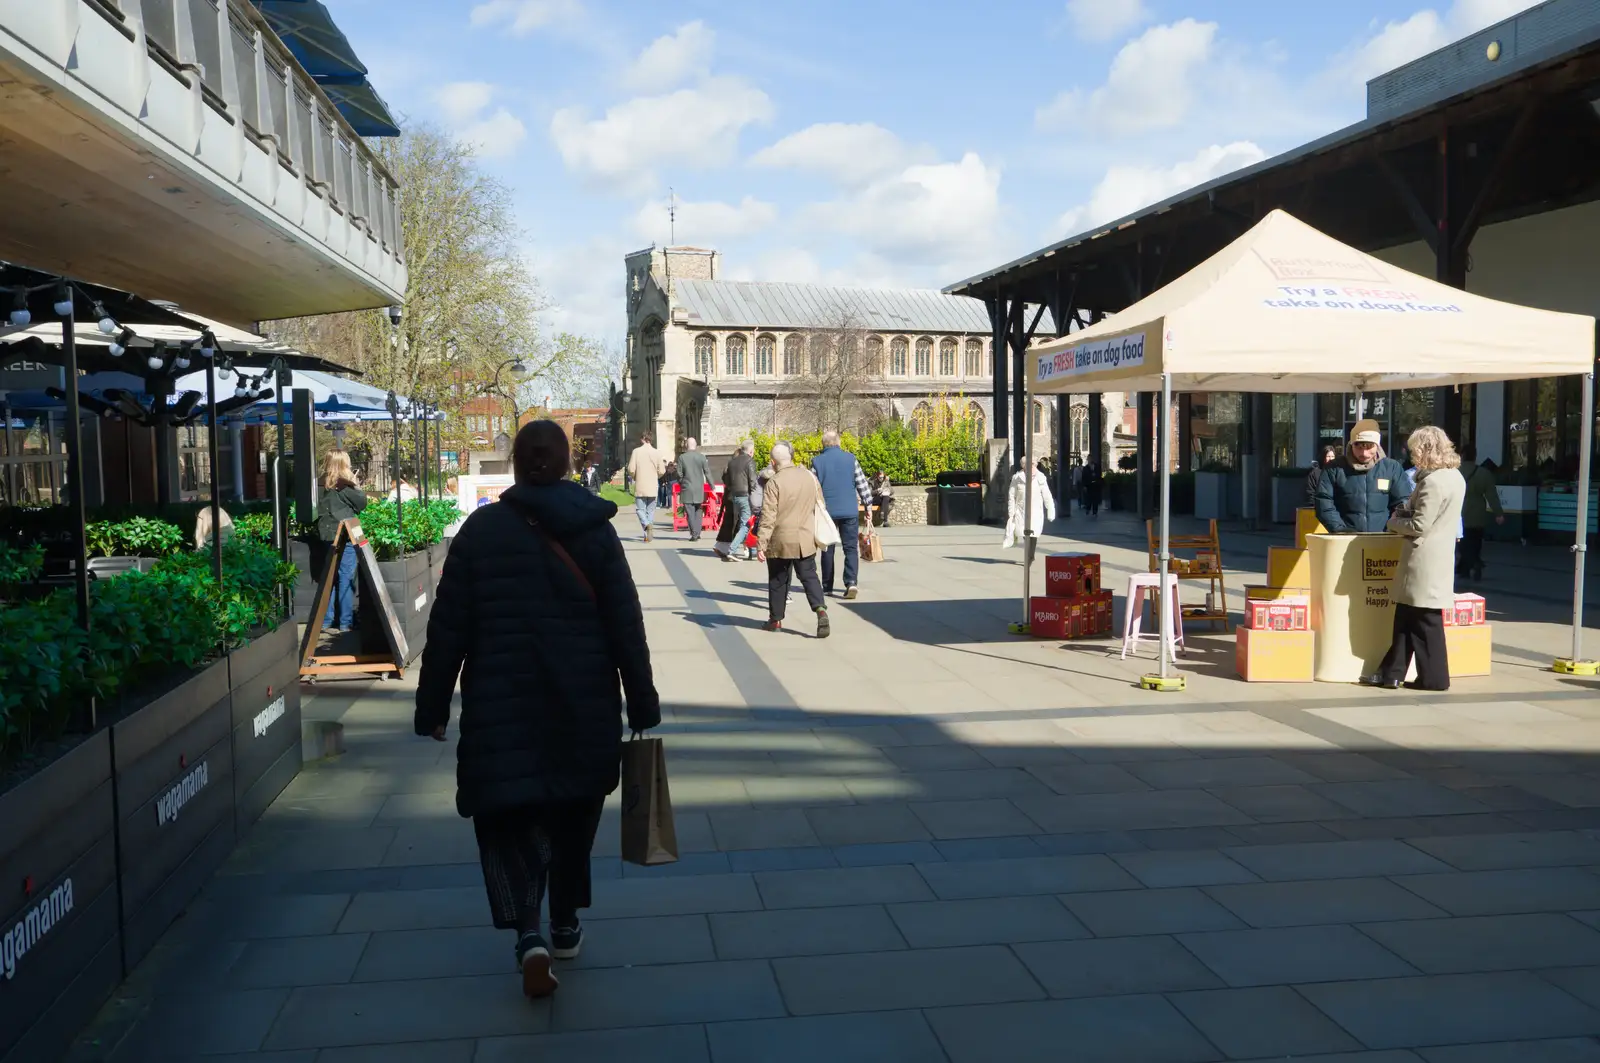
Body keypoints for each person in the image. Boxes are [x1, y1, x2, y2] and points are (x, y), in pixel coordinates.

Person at [414, 420, 660, 999]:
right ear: (570, 464)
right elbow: (626, 623)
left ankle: (529, 934)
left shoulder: (479, 532)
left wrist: (432, 708)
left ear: (517, 467)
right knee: (574, 816)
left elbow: (447, 628)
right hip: (583, 704)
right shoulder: (598, 534)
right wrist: (642, 702)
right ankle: (566, 921)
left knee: (508, 818)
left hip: (502, 705)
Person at [1364, 426, 1466, 692]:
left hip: (1423, 559)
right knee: (1408, 616)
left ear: (1425, 449)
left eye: (1414, 449)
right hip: (1438, 557)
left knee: (1424, 621)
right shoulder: (1455, 477)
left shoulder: (1432, 482)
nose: (1412, 455)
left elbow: (1420, 525)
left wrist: (1395, 522)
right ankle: (1392, 673)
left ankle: (1433, 678)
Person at [756, 442, 829, 637]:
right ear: (792, 457)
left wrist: (761, 543)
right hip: (805, 537)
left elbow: (768, 516)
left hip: (780, 539)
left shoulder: (774, 482)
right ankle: (820, 610)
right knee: (809, 576)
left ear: (773, 462)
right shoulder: (809, 477)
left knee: (778, 579)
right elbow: (820, 503)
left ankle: (776, 619)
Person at [1313, 419, 1411, 533]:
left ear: (1377, 445)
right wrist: (1340, 530)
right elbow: (1324, 502)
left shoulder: (1392, 468)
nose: (1364, 453)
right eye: (1359, 446)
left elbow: (1402, 501)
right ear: (1351, 445)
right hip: (1344, 539)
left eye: (1369, 446)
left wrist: (1393, 526)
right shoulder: (1334, 469)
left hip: (1385, 538)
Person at [811, 430, 872, 599]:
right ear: (838, 442)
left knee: (827, 548)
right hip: (849, 510)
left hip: (826, 511)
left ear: (823, 444)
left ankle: (827, 586)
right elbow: (862, 485)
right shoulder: (851, 459)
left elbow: (812, 487)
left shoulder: (816, 462)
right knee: (850, 548)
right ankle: (851, 582)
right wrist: (868, 505)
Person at [315, 450, 367, 632]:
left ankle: (327, 620)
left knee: (329, 576)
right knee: (346, 576)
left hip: (324, 535)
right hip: (346, 533)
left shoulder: (319, 483)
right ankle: (345, 621)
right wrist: (356, 485)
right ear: (344, 463)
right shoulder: (343, 485)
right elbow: (362, 504)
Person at [1456, 442, 1505, 581]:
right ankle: (1473, 562)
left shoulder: (1455, 472)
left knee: (1463, 542)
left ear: (1462, 455)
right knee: (1476, 541)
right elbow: (1492, 495)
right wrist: (1498, 513)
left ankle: (1469, 566)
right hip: (1478, 512)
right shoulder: (1484, 473)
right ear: (1475, 456)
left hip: (1460, 512)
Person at [1002, 457, 1056, 555]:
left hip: (1036, 511)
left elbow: (1047, 496)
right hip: (1021, 511)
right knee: (1024, 533)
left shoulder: (1040, 477)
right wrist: (1011, 512)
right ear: (1023, 465)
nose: (1031, 466)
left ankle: (1031, 555)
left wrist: (1050, 510)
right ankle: (1028, 555)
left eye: (1033, 464)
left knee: (1033, 533)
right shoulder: (1017, 478)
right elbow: (1012, 496)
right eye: (1028, 464)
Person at [625, 433, 666, 541]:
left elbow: (631, 469)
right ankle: (647, 535)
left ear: (643, 439)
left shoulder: (636, 452)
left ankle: (646, 524)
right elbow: (662, 470)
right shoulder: (657, 452)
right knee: (650, 510)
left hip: (641, 485)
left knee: (640, 509)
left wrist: (635, 476)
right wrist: (656, 475)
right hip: (653, 485)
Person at [720, 440, 757, 561]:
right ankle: (732, 549)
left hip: (735, 495)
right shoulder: (750, 461)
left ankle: (753, 551)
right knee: (746, 524)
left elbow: (728, 481)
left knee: (744, 523)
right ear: (751, 451)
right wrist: (755, 495)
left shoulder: (732, 462)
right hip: (745, 495)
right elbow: (752, 481)